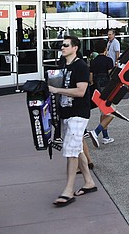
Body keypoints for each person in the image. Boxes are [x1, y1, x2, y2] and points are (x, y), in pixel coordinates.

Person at [47, 36, 97, 207]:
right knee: (77, 148)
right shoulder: (63, 65)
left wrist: (57, 89)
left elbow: (81, 91)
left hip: (78, 113)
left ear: (75, 47)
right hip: (66, 113)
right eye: (61, 45)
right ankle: (89, 182)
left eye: (65, 45)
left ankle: (68, 191)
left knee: (70, 151)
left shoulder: (81, 66)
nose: (62, 47)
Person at [89, 43, 116, 147]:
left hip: (97, 88)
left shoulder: (93, 61)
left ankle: (105, 136)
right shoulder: (108, 60)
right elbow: (111, 74)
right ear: (105, 49)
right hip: (107, 88)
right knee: (111, 111)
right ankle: (96, 132)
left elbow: (90, 77)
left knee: (103, 112)